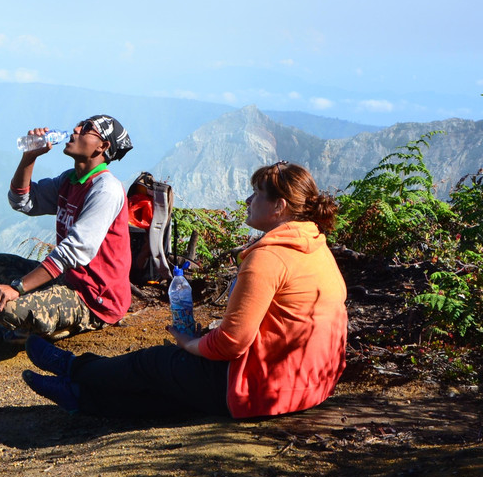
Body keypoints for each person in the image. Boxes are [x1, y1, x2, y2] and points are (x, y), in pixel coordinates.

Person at [22, 161, 348, 419]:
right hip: (309, 386)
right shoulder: (315, 245)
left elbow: (231, 344)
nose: (248, 200)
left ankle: (73, 368)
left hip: (261, 390)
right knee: (173, 391)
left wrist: (191, 344)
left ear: (279, 206)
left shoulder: (269, 256)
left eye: (257, 194)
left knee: (159, 363)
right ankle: (78, 396)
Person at [0, 115, 134, 343]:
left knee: (8, 309)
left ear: (102, 146)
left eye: (86, 128)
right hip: (68, 280)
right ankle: (42, 323)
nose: (75, 129)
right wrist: (29, 156)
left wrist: (18, 288)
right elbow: (22, 201)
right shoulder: (70, 180)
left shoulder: (106, 189)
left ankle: (55, 328)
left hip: (94, 297)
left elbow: (73, 251)